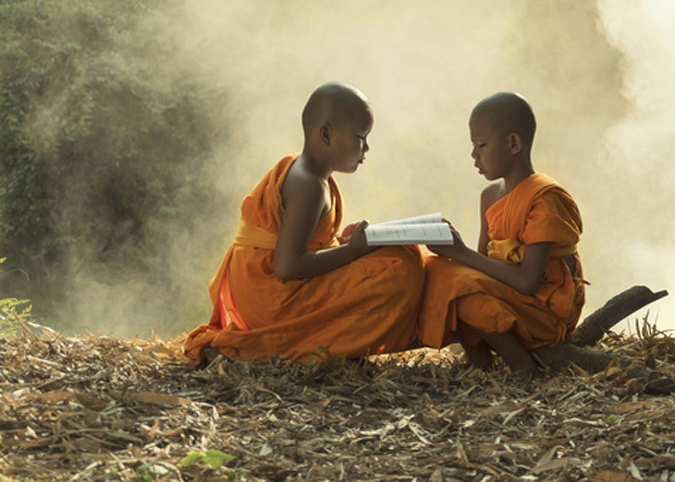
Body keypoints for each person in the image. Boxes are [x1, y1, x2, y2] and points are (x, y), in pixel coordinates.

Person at [183, 83, 424, 364]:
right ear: (326, 134)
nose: (366, 148)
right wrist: (354, 250)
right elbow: (288, 266)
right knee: (400, 267)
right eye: (361, 137)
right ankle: (311, 349)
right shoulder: (309, 184)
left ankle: (333, 344)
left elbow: (306, 242)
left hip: (260, 287)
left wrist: (343, 242)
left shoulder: (304, 171)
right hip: (271, 298)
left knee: (397, 255)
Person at [417, 92, 584, 372]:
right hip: (508, 298)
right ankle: (479, 360)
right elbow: (482, 266)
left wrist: (460, 253)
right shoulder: (490, 196)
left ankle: (521, 365)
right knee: (438, 270)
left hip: (545, 312)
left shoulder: (545, 199)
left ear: (514, 143)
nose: (474, 155)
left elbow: (528, 282)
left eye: (481, 144)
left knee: (459, 286)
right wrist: (452, 251)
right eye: (473, 145)